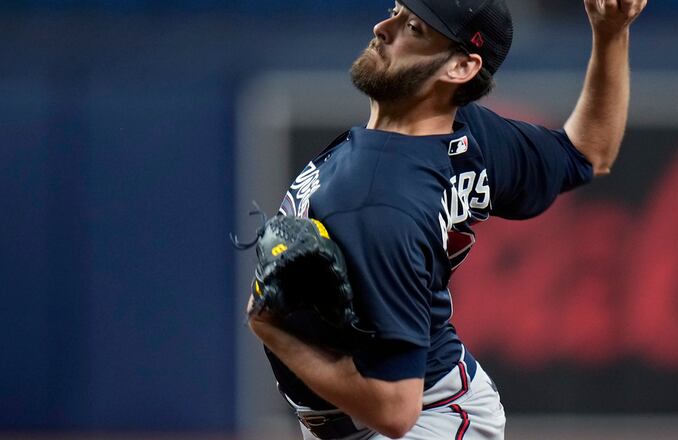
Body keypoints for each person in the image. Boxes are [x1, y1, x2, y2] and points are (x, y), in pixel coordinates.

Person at [247, 0, 648, 438]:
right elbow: (588, 152)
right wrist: (611, 35)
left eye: (413, 28)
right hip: (393, 409)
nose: (383, 28)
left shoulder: (375, 200)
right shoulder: (466, 134)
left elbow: (395, 410)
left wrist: (273, 329)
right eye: (395, 10)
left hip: (420, 417)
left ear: (461, 67)